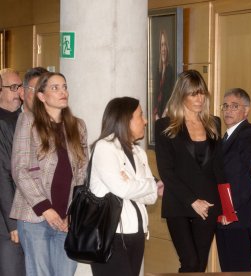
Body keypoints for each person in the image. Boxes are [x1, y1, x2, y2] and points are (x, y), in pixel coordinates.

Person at [10, 72, 89, 276]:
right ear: (41, 96)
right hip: (35, 216)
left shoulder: (78, 126)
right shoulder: (28, 121)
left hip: (67, 219)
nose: (63, 91)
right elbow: (20, 169)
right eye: (55, 88)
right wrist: (46, 208)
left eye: (64, 86)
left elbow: (81, 172)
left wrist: (73, 212)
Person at [155, 70, 224, 272]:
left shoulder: (214, 124)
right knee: (190, 262)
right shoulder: (165, 126)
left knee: (199, 265)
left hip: (209, 204)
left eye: (202, 93)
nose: (199, 98)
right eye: (194, 93)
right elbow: (166, 171)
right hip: (179, 202)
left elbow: (219, 168)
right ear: (181, 95)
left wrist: (227, 206)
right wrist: (192, 201)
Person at [89, 97, 160, 276]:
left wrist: (134, 184)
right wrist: (147, 184)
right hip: (110, 235)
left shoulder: (139, 152)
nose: (145, 121)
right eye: (140, 116)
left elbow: (152, 196)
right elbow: (122, 189)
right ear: (125, 120)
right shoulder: (104, 147)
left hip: (136, 233)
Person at [0, 67, 47, 276]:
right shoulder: (6, 124)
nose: (18, 92)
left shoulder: (36, 122)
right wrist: (13, 223)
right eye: (13, 87)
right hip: (9, 219)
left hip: (39, 219)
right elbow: (4, 175)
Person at [216, 88, 251, 272]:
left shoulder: (248, 134)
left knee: (239, 269)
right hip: (223, 215)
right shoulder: (225, 137)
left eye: (234, 106)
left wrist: (231, 211)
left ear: (246, 110)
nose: (228, 111)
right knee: (227, 268)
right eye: (225, 106)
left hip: (237, 216)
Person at [153, 29, 174, 121]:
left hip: (167, 116)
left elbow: (172, 95)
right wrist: (155, 114)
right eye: (162, 45)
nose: (164, 48)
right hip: (156, 116)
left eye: (165, 44)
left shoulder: (171, 70)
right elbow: (154, 95)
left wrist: (164, 115)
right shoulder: (157, 70)